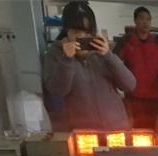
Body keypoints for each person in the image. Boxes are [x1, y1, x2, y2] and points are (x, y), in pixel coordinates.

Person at [44, 1, 136, 131]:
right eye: (76, 31)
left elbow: (130, 85)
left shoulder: (101, 51)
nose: (82, 36)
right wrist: (67, 60)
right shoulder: (56, 53)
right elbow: (58, 91)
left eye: (87, 32)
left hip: (116, 130)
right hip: (83, 134)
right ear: (67, 30)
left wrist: (108, 55)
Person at [115, 6, 158, 130]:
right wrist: (118, 85)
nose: (145, 22)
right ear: (135, 21)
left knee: (151, 129)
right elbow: (114, 64)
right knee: (136, 129)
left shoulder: (157, 45)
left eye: (148, 19)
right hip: (133, 95)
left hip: (153, 95)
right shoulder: (125, 42)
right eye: (142, 19)